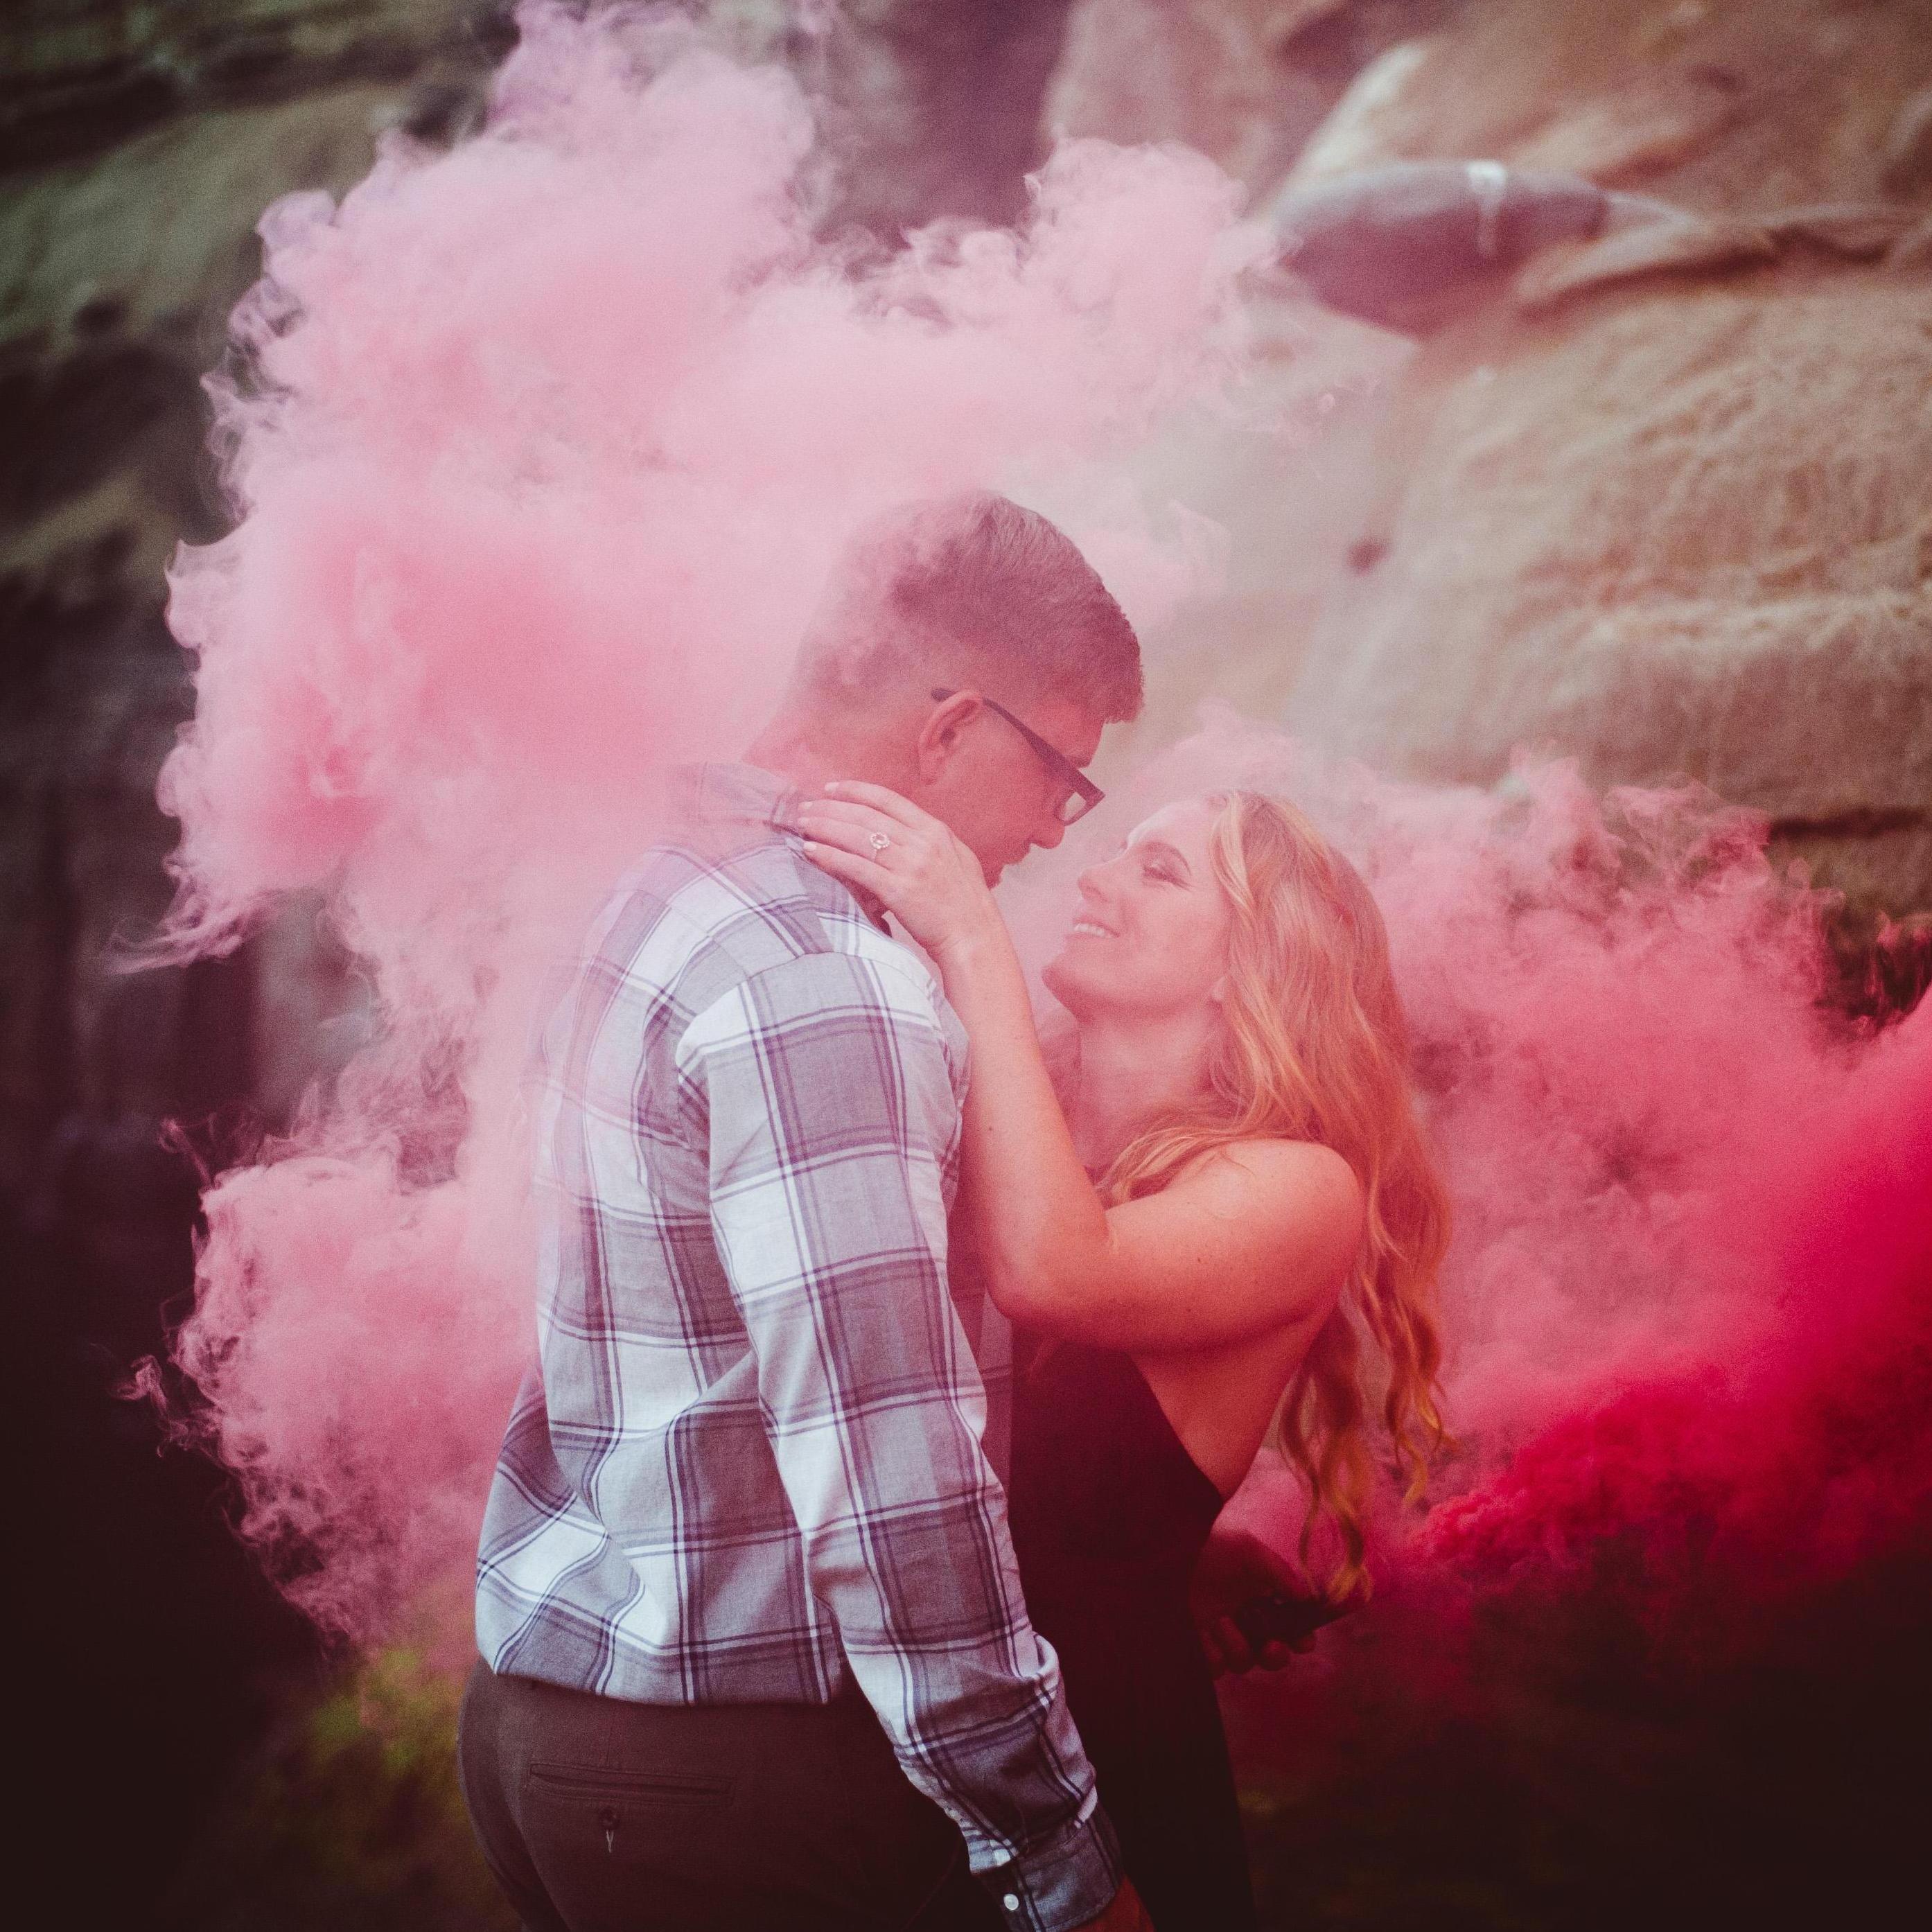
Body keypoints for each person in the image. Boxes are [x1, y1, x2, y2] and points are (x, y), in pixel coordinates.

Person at [458, 493, 1158, 1932]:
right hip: (736, 1782)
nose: (1050, 827)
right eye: (1062, 778)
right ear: (950, 724)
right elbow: (888, 1468)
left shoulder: (661, 887)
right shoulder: (819, 976)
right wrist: (1054, 1855)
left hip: (561, 1736)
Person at [798, 778, 1452, 1931]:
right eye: (1118, 856)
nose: (1094, 879)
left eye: (1161, 871)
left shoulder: (1299, 1184)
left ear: (1253, 965)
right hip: (908, 1760)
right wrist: (1150, 1551)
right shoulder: (1024, 1126)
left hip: (1095, 1771)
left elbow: (1058, 1274)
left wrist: (968, 935)